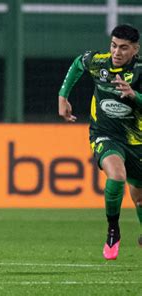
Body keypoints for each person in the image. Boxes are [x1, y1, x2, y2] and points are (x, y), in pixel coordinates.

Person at [58, 24, 142, 260]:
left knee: (139, 199)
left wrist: (135, 95)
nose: (116, 52)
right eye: (114, 46)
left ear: (135, 49)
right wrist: (63, 96)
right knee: (116, 175)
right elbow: (77, 64)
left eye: (124, 48)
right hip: (105, 135)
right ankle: (113, 229)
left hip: (137, 141)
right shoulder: (99, 62)